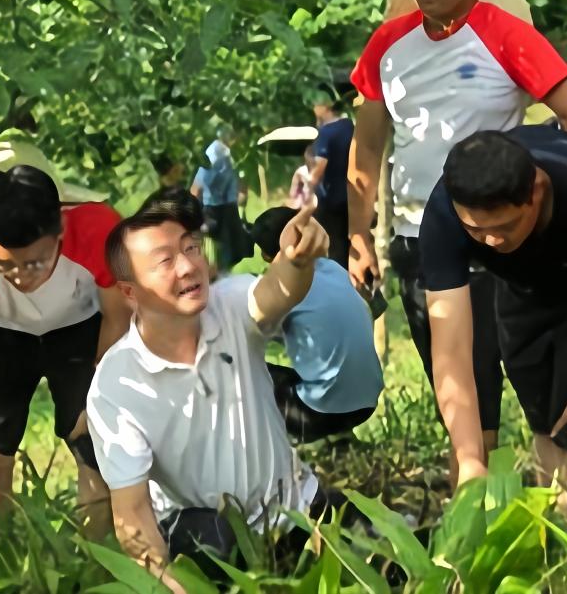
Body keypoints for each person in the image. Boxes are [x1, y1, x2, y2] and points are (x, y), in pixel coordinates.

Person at [348, 0, 567, 478]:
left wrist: (545, 202)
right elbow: (367, 147)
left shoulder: (505, 35)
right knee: (464, 400)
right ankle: (474, 509)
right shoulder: (387, 45)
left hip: (504, 242)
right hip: (421, 239)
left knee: (546, 399)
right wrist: (358, 234)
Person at [87, 190, 348, 590]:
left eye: (190, 248)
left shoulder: (230, 304)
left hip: (294, 509)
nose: (188, 266)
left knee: (385, 559)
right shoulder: (117, 387)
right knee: (213, 542)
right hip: (205, 532)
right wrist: (168, 582)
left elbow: (275, 291)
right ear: (129, 292)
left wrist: (296, 259)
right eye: (165, 261)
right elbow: (132, 513)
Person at [419, 126, 567, 511]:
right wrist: (470, 459)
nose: (491, 242)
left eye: (504, 227)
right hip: (519, 291)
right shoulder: (443, 213)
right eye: (476, 231)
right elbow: (450, 344)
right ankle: (548, 531)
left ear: (536, 191)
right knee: (543, 422)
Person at [0, 165, 131, 533]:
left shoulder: (98, 230)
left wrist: (98, 394)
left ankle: (93, 554)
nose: (21, 277)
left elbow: (119, 318)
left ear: (60, 232)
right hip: (2, 336)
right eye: (3, 265)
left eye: (35, 263)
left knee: (92, 444)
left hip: (81, 329)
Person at [248, 207, 383, 443]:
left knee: (244, 369)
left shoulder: (284, 290)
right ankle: (340, 438)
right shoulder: (335, 269)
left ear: (267, 256)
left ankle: (273, 446)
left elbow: (253, 329)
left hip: (319, 414)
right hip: (366, 404)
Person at [190, 125, 248, 272]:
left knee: (213, 249)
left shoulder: (205, 171)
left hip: (212, 213)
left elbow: (194, 194)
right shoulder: (232, 168)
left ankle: (215, 272)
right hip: (228, 211)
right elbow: (242, 193)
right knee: (225, 253)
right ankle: (222, 273)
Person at [307, 92, 355, 267]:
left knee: (333, 244)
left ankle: (336, 276)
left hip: (329, 197)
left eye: (315, 105)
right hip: (351, 193)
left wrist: (308, 186)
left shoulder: (325, 133)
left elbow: (320, 166)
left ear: (324, 107)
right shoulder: (348, 125)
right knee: (348, 239)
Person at [288, 145, 316, 209]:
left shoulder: (301, 171)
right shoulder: (301, 172)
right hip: (304, 203)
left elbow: (293, 192)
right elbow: (293, 192)